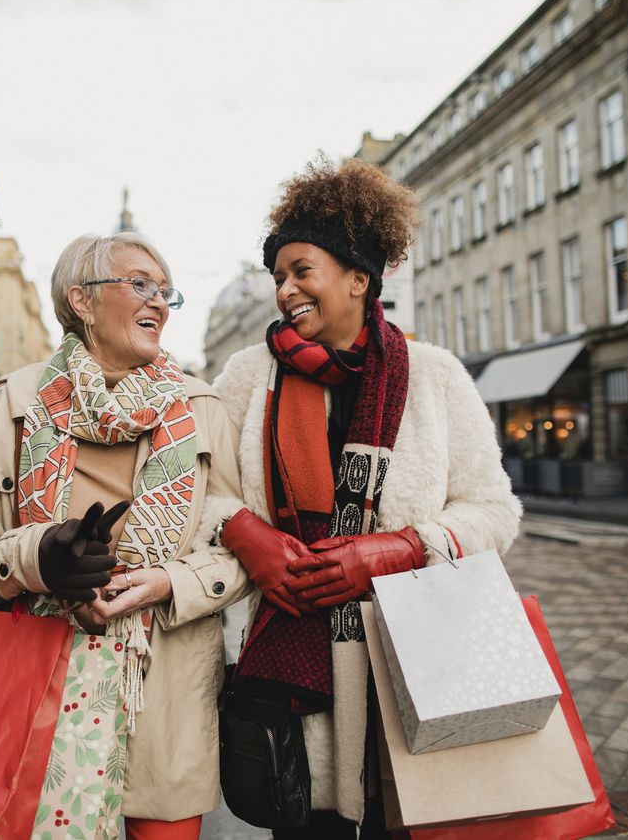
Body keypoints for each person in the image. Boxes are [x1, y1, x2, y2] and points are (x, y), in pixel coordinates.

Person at [213, 157, 523, 838]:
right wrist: (244, 533)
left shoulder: (435, 375)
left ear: (359, 278)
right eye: (278, 275)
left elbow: (495, 510)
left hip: (410, 665)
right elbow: (203, 489)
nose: (284, 289)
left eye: (302, 270)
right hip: (291, 684)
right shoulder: (245, 376)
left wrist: (403, 547)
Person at [0, 231, 250, 839]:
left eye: (167, 292)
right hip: (35, 688)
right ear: (80, 299)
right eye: (139, 284)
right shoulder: (6, 405)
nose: (160, 303)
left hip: (163, 697)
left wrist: (169, 580)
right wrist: (39, 560)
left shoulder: (203, 409)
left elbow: (238, 547)